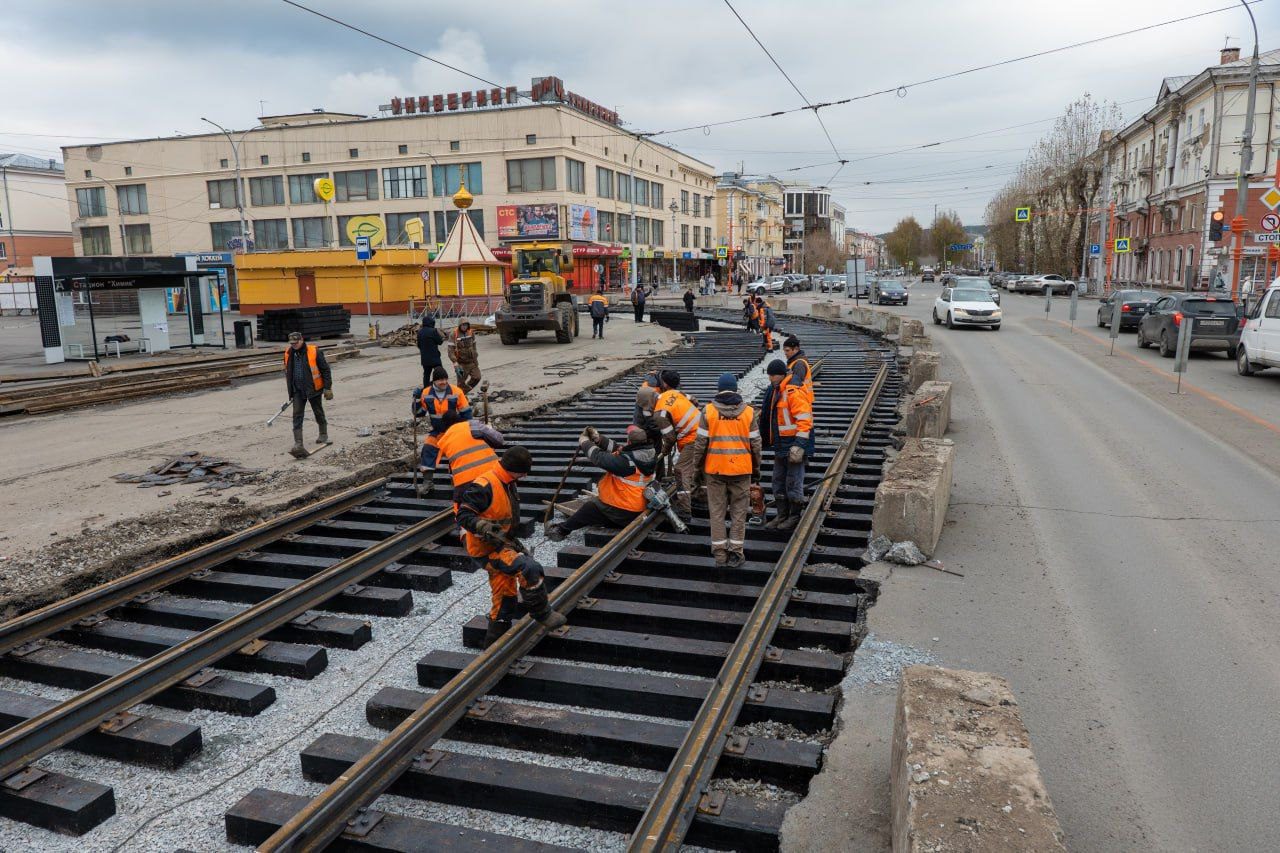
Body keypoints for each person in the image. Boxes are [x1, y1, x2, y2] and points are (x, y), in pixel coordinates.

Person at [455, 446, 565, 646]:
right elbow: (463, 515)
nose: (524, 476)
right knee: (529, 568)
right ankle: (542, 613)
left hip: (503, 545)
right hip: (486, 550)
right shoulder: (484, 485)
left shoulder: (508, 481)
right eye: (523, 472)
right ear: (516, 470)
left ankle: (493, 648)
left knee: (505, 600)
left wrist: (514, 544)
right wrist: (482, 526)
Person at [690, 372, 762, 567]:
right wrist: (756, 469)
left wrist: (697, 470)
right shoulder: (748, 412)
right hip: (741, 470)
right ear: (736, 389)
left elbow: (700, 445)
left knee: (717, 512)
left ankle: (720, 555)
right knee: (739, 513)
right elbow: (756, 445)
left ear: (719, 389)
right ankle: (736, 553)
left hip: (715, 471)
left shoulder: (709, 411)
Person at [546, 425, 656, 541]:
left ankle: (561, 530)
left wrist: (585, 442)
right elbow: (618, 449)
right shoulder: (648, 453)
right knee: (596, 508)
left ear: (629, 441)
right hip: (637, 506)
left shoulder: (626, 464)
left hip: (625, 510)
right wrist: (599, 439)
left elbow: (599, 457)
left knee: (590, 507)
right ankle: (610, 522)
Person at [760, 358, 812, 531]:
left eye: (773, 375)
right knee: (778, 481)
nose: (770, 378)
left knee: (793, 482)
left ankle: (794, 516)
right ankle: (782, 514)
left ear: (782, 375)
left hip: (793, 444)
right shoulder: (777, 391)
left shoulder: (792, 392)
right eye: (769, 375)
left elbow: (805, 420)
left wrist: (799, 444)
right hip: (781, 445)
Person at [653, 370, 699, 522]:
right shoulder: (678, 393)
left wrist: (664, 451)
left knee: (681, 470)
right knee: (701, 466)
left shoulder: (659, 412)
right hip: (707, 430)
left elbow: (670, 437)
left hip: (693, 438)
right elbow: (695, 400)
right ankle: (702, 498)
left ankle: (685, 510)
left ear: (664, 384)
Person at [283, 331, 333, 459]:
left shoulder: (314, 351)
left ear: (301, 340)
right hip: (297, 390)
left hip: (313, 389)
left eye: (296, 343)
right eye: (292, 343)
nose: (293, 345)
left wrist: (327, 388)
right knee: (297, 415)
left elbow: (325, 370)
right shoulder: (289, 353)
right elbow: (288, 372)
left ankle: (323, 433)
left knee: (318, 411)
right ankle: (298, 443)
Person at [448, 320, 482, 392]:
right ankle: (461, 397)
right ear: (460, 325)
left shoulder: (471, 332)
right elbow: (450, 350)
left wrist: (475, 355)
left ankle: (467, 390)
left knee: (477, 377)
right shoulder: (454, 334)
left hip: (471, 362)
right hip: (461, 363)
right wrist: (455, 362)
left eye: (466, 325)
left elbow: (474, 345)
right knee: (461, 384)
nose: (464, 326)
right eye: (462, 325)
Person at [416, 314, 444, 389]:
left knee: (426, 374)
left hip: (425, 358)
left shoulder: (420, 332)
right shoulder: (433, 331)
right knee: (440, 373)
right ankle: (439, 387)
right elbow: (440, 342)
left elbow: (418, 345)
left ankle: (426, 389)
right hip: (435, 358)